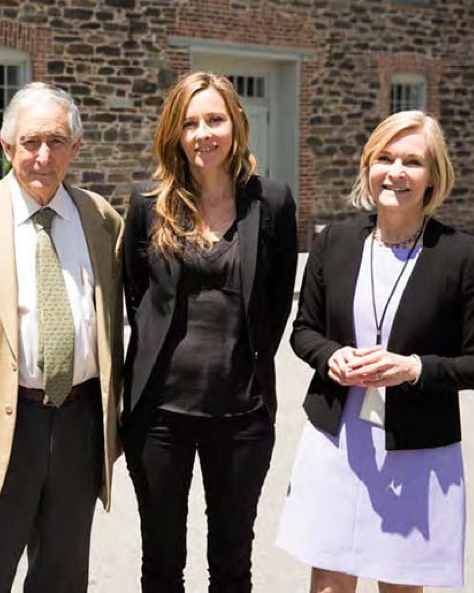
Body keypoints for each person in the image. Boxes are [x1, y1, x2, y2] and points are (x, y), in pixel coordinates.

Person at [276, 111, 474, 593]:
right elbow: (304, 330)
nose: (396, 172)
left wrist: (413, 368)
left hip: (415, 448)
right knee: (330, 585)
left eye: (413, 161)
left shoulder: (465, 257)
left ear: (433, 176)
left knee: (399, 585)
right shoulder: (333, 242)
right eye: (385, 158)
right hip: (337, 443)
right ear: (368, 166)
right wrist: (329, 356)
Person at [0, 82, 124, 593]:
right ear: (6, 145)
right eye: (31, 141)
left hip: (79, 423)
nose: (43, 156)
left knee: (62, 576)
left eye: (57, 141)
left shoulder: (102, 220)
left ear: (76, 148)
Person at [122, 71, 298, 593]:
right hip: (159, 416)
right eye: (191, 122)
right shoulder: (148, 203)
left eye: (214, 119)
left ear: (236, 124)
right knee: (161, 563)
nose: (204, 133)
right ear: (176, 133)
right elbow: (138, 298)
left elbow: (275, 299)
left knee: (230, 563)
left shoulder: (273, 202)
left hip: (242, 415)